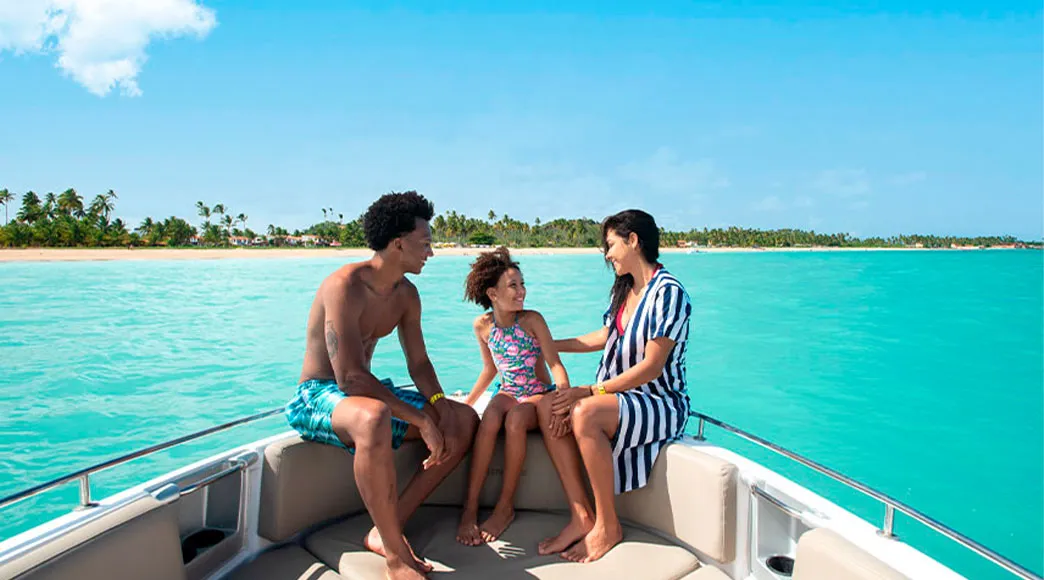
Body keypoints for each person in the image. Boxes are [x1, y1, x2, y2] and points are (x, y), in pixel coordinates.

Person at [284, 191, 479, 580]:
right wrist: (422, 422)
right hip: (318, 395)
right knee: (374, 417)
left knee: (464, 420)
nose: (431, 253)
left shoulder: (406, 294)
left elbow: (419, 364)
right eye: (425, 244)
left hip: (363, 393)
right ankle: (395, 554)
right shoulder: (344, 286)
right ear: (398, 244)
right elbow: (350, 376)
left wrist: (439, 407)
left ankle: (385, 528)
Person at [535, 209, 692, 563]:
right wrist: (550, 343)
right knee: (548, 405)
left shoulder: (669, 293)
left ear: (633, 240)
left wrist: (592, 391)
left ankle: (608, 525)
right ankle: (581, 515)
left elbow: (652, 367)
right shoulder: (626, 289)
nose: (607, 254)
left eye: (610, 245)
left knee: (585, 412)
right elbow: (607, 335)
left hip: (660, 401)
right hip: (618, 396)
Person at [454, 247, 572, 546]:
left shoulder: (532, 320)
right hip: (506, 391)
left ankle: (504, 507)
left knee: (516, 420)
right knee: (489, 418)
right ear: (492, 294)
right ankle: (469, 507)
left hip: (536, 393)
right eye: (513, 286)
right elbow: (490, 369)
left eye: (522, 284)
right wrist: (467, 404)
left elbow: (555, 363)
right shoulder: (482, 326)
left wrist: (562, 401)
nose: (522, 291)